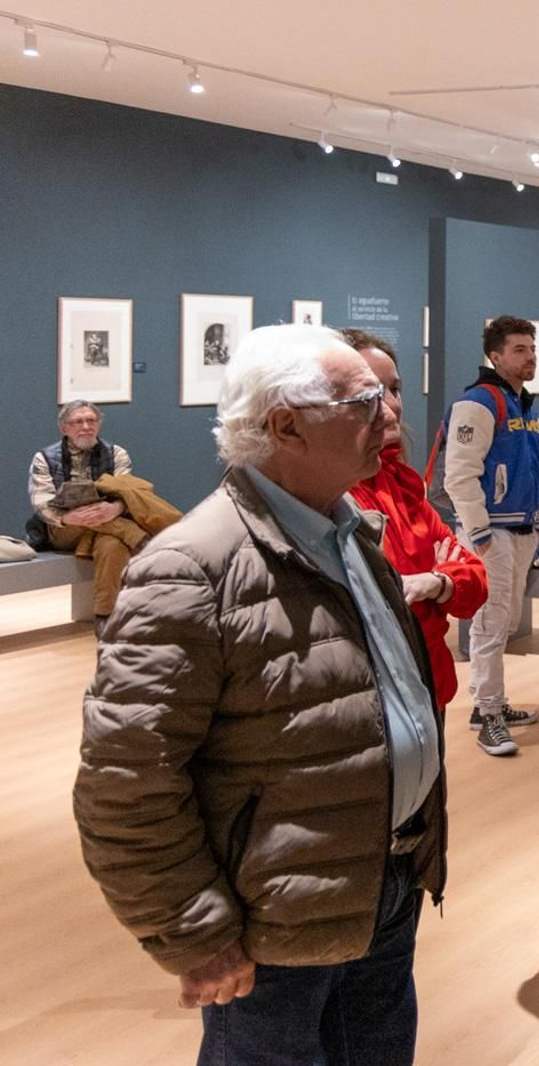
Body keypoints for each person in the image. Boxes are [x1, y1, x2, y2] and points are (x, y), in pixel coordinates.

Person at [73, 324, 447, 1065]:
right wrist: (195, 932)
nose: (388, 416)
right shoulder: (190, 569)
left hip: (381, 884)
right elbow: (124, 785)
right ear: (286, 427)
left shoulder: (349, 534)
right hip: (272, 926)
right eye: (363, 403)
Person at [342, 329, 488, 713]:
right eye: (373, 393)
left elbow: (475, 583)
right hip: (379, 696)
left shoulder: (401, 484)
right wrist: (438, 583)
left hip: (431, 685)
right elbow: (385, 600)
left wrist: (436, 582)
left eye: (395, 389)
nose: (392, 406)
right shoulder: (335, 496)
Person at [441, 315, 539, 756]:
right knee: (489, 624)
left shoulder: (522, 403)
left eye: (532, 349)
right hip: (492, 533)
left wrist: (537, 525)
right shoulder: (479, 403)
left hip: (520, 529)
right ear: (495, 356)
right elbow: (459, 475)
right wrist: (479, 533)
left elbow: (531, 469)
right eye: (519, 350)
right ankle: (488, 715)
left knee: (504, 622)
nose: (530, 357)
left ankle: (492, 702)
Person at [26, 400, 182, 624]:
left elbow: (126, 493)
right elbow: (41, 503)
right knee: (118, 520)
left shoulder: (116, 454)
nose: (86, 426)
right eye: (78, 422)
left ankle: (106, 618)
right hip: (63, 528)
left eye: (91, 420)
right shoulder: (44, 458)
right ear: (64, 428)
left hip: (107, 525)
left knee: (112, 545)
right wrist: (67, 517)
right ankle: (142, 537)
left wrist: (116, 507)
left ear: (99, 424)